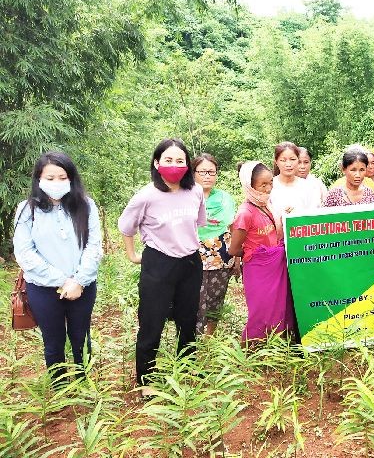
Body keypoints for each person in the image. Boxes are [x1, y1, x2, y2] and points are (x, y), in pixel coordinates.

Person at [118, 138, 206, 393]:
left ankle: (188, 365)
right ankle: (146, 379)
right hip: (159, 263)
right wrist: (132, 254)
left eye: (180, 160)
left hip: (190, 262)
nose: (174, 165)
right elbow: (126, 226)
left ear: (188, 165)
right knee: (152, 321)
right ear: (157, 163)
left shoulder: (195, 191)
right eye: (168, 160)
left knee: (188, 318)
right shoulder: (146, 196)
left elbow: (196, 223)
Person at [13, 152, 103, 381]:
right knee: (53, 341)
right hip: (43, 288)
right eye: (50, 178)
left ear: (71, 179)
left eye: (62, 178)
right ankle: (59, 386)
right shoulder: (26, 210)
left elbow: (93, 246)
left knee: (81, 337)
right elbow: (25, 253)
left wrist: (79, 280)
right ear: (39, 179)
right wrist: (63, 281)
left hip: (82, 286)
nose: (56, 183)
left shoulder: (86, 206)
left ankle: (83, 384)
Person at [228, 161, 294, 341]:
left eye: (270, 183)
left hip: (276, 266)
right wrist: (256, 252)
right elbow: (234, 248)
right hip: (258, 269)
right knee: (261, 310)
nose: (268, 188)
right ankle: (250, 350)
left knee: (280, 306)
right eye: (262, 185)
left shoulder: (268, 205)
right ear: (250, 186)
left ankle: (277, 345)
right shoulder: (245, 213)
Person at [193, 154, 237, 336]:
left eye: (211, 172)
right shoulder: (186, 197)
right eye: (203, 172)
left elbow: (230, 223)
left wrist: (237, 256)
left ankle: (210, 337)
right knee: (197, 296)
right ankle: (191, 338)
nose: (207, 176)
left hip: (222, 251)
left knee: (216, 296)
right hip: (193, 251)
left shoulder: (224, 198)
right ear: (193, 173)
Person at [270, 142, 317, 216]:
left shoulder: (308, 187)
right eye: (283, 160)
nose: (288, 164)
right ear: (276, 162)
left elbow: (314, 215)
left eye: (292, 159)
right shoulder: (269, 186)